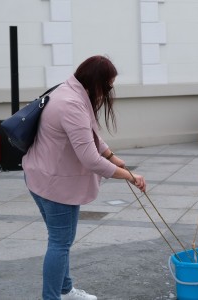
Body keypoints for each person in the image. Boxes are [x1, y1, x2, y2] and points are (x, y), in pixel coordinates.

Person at [22, 55, 146, 300]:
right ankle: (52, 297)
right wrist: (129, 176)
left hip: (42, 175)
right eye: (108, 85)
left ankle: (65, 290)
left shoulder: (70, 91)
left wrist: (113, 157)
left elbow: (88, 136)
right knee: (60, 243)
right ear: (95, 82)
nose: (109, 91)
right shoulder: (71, 104)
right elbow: (90, 159)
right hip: (54, 184)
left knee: (60, 241)